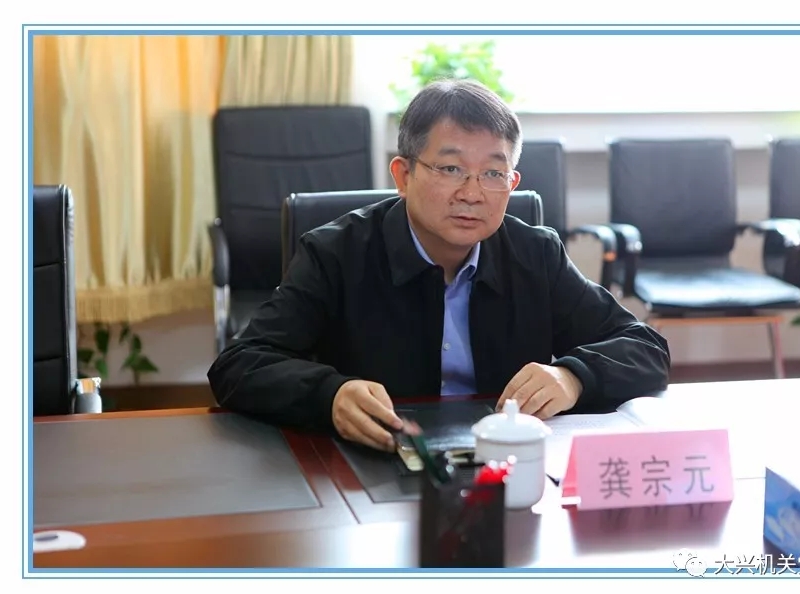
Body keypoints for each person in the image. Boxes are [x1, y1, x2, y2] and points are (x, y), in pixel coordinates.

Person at [207, 79, 671, 452]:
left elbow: (645, 348)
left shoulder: (536, 254)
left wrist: (572, 376)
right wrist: (329, 395)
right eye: (451, 169)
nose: (472, 193)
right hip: (374, 460)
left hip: (502, 463)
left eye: (492, 173)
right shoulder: (335, 253)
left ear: (512, 183)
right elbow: (238, 364)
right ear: (403, 175)